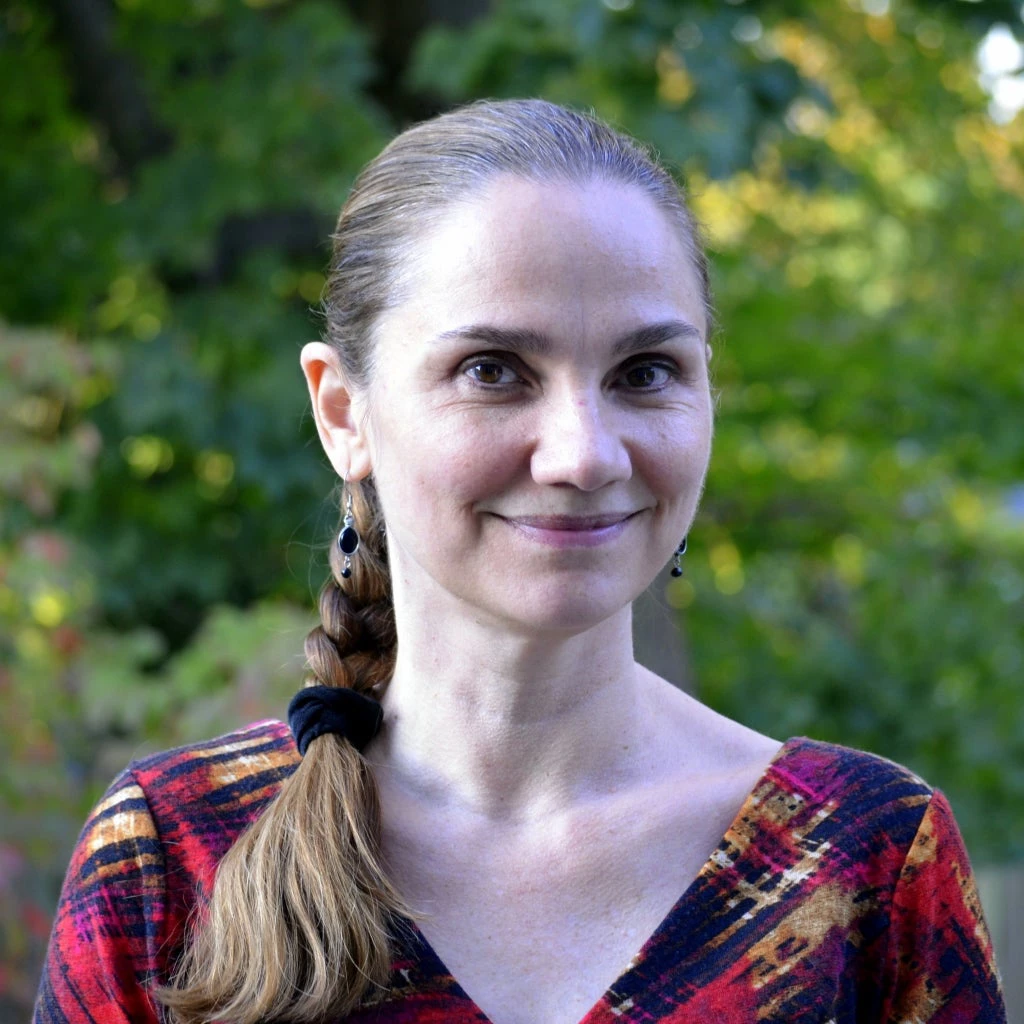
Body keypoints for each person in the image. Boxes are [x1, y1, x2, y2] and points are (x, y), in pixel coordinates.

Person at [34, 99, 1005, 1024]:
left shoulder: (864, 859)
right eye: (491, 371)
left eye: (645, 372)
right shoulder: (174, 857)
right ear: (342, 413)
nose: (583, 454)